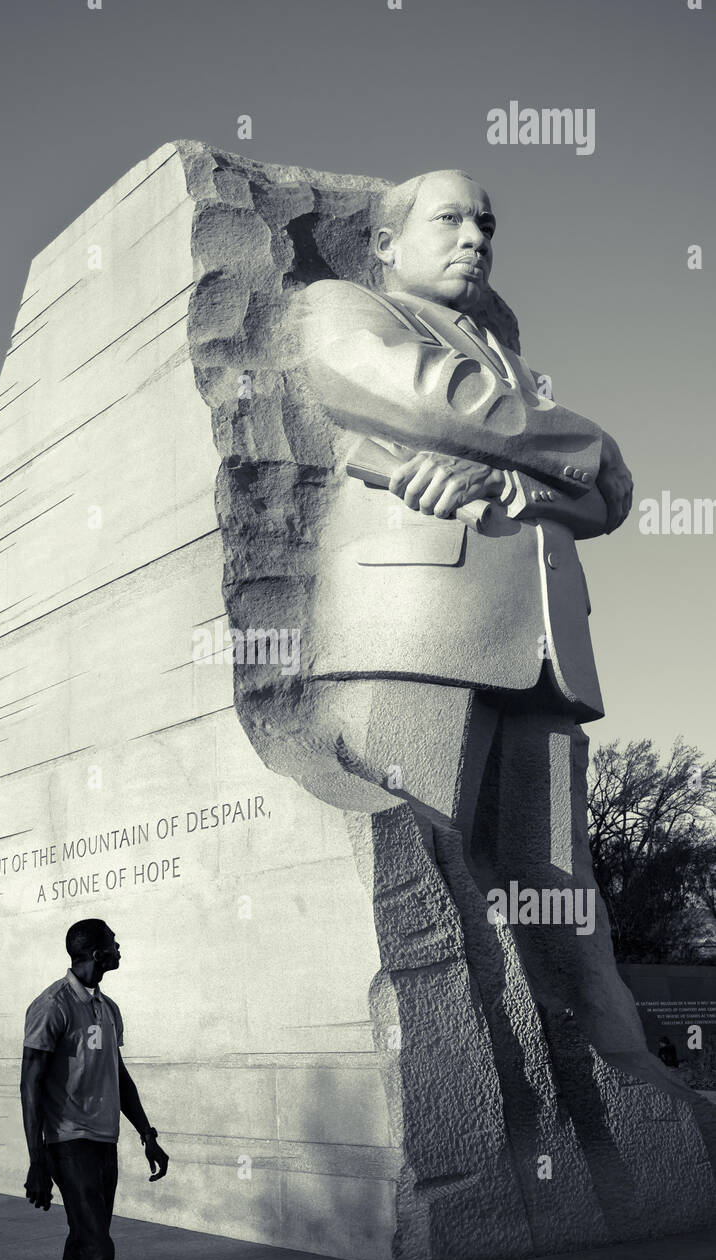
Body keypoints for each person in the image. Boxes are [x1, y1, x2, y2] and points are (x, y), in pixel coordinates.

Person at [287, 168, 685, 1096]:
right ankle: (466, 1084)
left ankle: (602, 1067)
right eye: (451, 219)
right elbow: (429, 397)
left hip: (540, 638)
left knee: (555, 875)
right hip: (417, 625)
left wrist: (515, 480)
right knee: (422, 854)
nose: (476, 238)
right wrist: (581, 445)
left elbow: (610, 498)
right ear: (386, 244)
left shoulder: (505, 361)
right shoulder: (343, 306)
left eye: (487, 224)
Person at [20, 917, 168, 1260]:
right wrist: (37, 1161)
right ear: (98, 953)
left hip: (105, 1141)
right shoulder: (52, 1006)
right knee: (99, 1250)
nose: (120, 950)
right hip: (68, 1142)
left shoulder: (108, 1009)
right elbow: (30, 1083)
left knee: (87, 1242)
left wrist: (147, 1134)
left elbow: (118, 1076)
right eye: (114, 944)